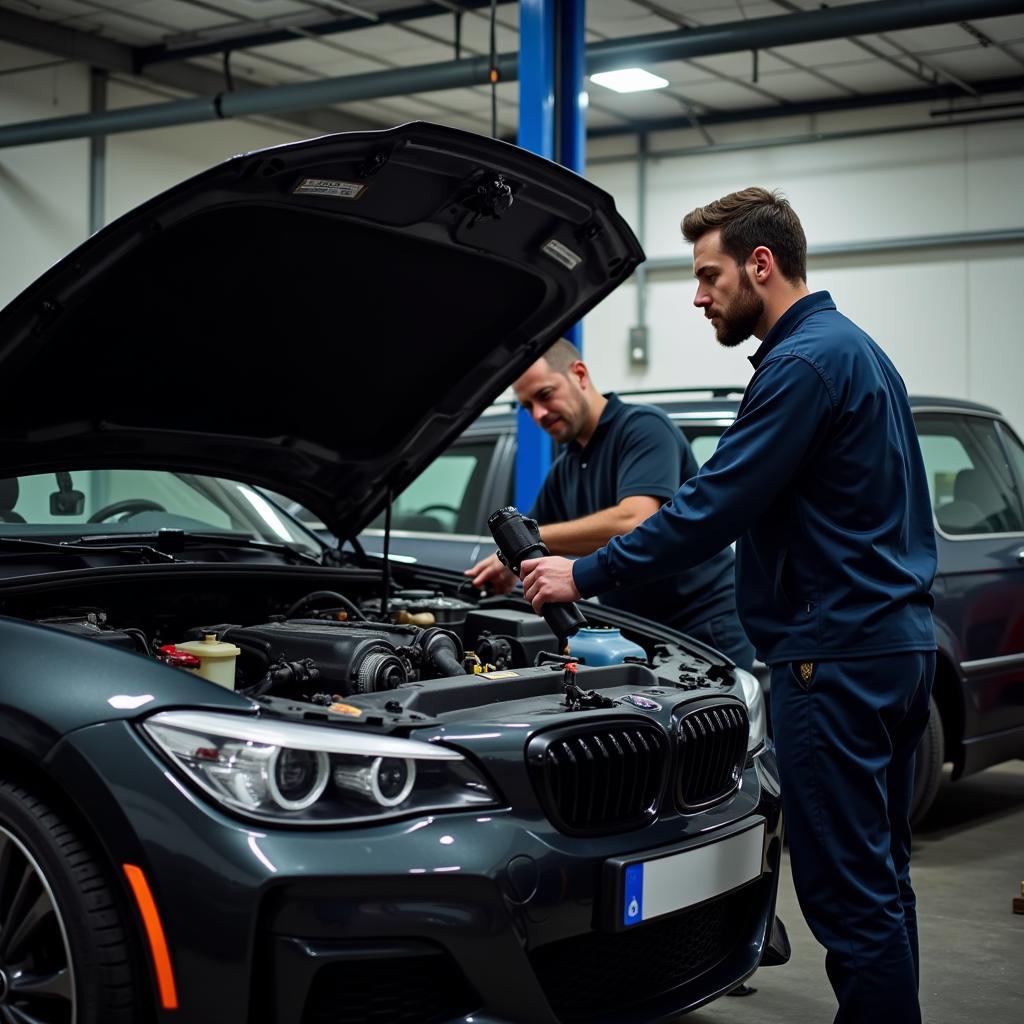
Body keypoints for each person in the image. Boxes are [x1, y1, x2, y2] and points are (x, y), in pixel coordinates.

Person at [517, 188, 937, 1024]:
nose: (699, 296)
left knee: (847, 895)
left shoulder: (800, 365)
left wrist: (580, 575)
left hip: (835, 660)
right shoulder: (858, 351)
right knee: (881, 879)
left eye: (709, 276)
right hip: (895, 647)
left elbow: (710, 507)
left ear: (761, 264)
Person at [466, 339, 754, 669]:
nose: (539, 414)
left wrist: (528, 543)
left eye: (544, 395)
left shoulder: (643, 428)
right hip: (633, 631)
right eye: (528, 406)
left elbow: (636, 520)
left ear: (579, 374)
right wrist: (509, 561)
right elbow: (532, 538)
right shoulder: (566, 467)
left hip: (702, 628)